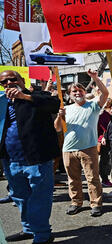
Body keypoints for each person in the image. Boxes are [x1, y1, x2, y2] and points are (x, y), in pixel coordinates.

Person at [0, 70, 60, 243]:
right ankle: (28, 229)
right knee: (20, 196)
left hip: (36, 159)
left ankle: (42, 235)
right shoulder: (2, 102)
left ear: (22, 80)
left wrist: (24, 96)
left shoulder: (36, 96)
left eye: (13, 79)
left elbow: (53, 104)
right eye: (4, 82)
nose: (9, 83)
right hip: (11, 160)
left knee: (39, 198)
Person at [55, 69, 109, 217]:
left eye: (80, 90)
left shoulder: (93, 106)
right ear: (69, 94)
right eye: (74, 91)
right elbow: (58, 128)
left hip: (88, 148)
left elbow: (105, 94)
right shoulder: (65, 109)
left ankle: (96, 204)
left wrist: (95, 78)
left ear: (84, 92)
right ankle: (76, 202)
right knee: (73, 179)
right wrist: (60, 117)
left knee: (92, 178)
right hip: (68, 149)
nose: (77, 93)